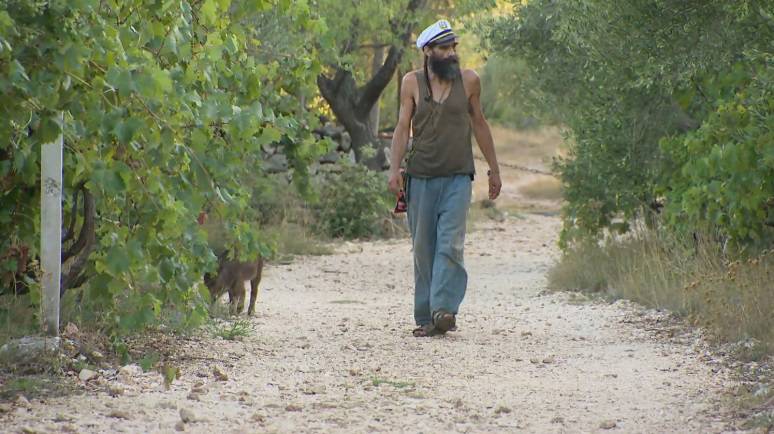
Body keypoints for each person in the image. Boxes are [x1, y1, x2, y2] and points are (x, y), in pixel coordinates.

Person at [388, 19, 501, 337]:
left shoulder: (470, 81)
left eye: (453, 47)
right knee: (424, 248)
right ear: (427, 51)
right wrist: (394, 169)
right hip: (420, 177)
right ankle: (425, 317)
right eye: (443, 48)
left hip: (457, 177)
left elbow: (479, 123)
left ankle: (444, 310)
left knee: (450, 243)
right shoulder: (411, 83)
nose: (450, 53)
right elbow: (401, 128)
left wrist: (494, 169)